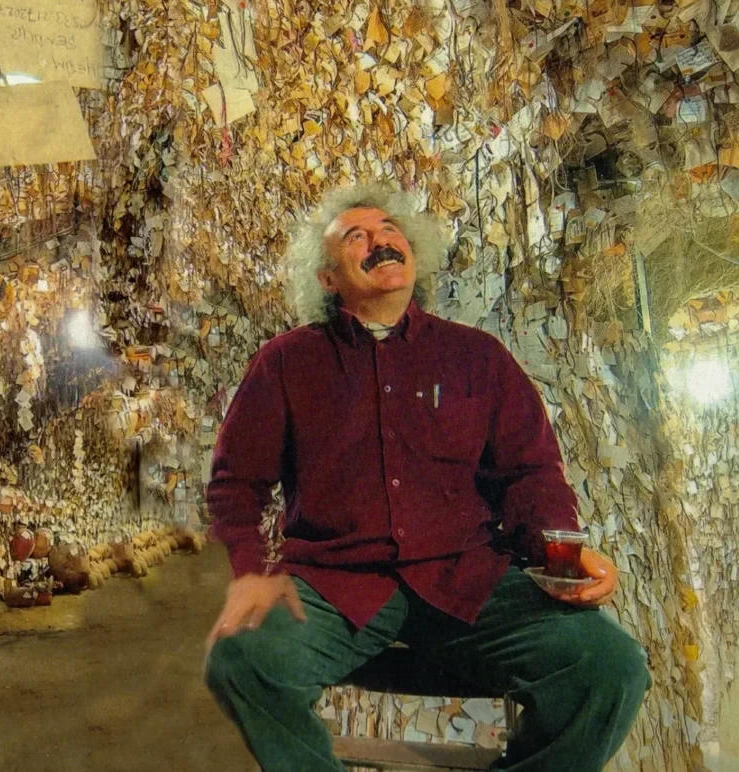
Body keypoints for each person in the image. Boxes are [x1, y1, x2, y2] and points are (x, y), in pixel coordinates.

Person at [204, 184, 650, 772]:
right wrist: (252, 573)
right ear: (328, 278)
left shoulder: (478, 358)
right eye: (356, 237)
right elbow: (236, 484)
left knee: (610, 667)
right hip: (337, 586)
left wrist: (560, 550)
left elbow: (531, 473)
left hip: (467, 578)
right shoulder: (286, 362)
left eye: (389, 230)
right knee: (240, 661)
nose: (380, 241)